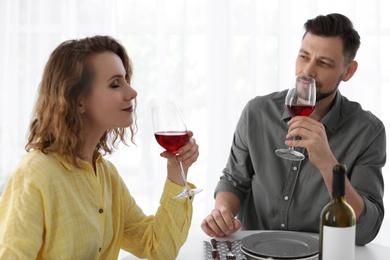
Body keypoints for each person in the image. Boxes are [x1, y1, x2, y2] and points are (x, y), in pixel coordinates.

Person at [0, 35, 200, 259]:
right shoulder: (35, 175)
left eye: (126, 80)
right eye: (115, 84)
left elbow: (157, 249)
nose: (132, 93)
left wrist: (176, 172)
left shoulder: (106, 175)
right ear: (78, 100)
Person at [201, 13, 385, 246]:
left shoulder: (368, 131)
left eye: (324, 63)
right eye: (304, 56)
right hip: (254, 251)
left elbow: (365, 230)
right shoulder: (257, 113)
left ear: (348, 71)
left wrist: (327, 163)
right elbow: (234, 181)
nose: (307, 71)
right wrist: (223, 212)